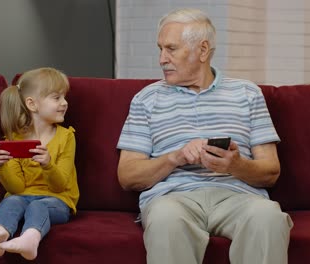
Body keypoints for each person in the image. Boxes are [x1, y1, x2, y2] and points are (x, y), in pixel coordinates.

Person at [117, 8, 293, 264]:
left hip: (239, 197)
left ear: (202, 50)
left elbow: (271, 171)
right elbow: (127, 175)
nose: (162, 59)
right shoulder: (147, 99)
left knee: (269, 217)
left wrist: (235, 165)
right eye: (160, 49)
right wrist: (175, 158)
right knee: (166, 219)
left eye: (171, 49)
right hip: (172, 198)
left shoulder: (247, 94)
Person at [0, 67, 79, 260]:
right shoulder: (13, 140)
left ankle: (30, 239)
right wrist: (1, 166)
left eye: (64, 97)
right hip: (23, 196)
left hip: (58, 200)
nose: (64, 103)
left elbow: (60, 185)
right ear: (32, 104)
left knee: (38, 206)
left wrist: (47, 165)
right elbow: (16, 188)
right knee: (10, 200)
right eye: (56, 98)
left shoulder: (66, 137)